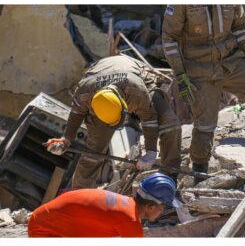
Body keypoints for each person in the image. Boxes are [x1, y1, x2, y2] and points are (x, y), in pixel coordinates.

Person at [162, 5, 245, 184]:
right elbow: (169, 38)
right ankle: (200, 176)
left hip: (231, 62)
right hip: (200, 68)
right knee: (204, 130)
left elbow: (241, 29)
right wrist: (180, 75)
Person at [46, 54, 181, 188]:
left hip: (135, 76)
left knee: (170, 125)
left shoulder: (136, 91)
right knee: (93, 152)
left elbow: (149, 118)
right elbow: (75, 115)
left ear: (124, 105)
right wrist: (66, 140)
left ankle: (170, 176)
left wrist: (151, 152)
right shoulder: (84, 94)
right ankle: (78, 195)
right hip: (98, 74)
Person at [28, 173, 178, 237]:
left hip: (43, 220)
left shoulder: (125, 204)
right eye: (163, 206)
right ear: (150, 207)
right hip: (44, 231)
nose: (163, 211)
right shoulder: (130, 221)